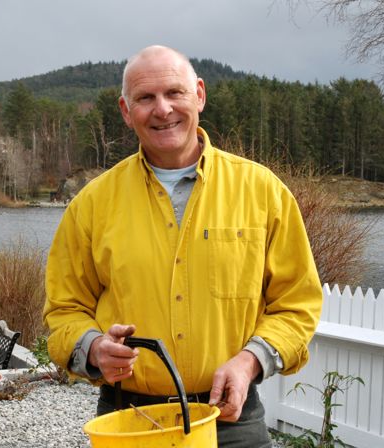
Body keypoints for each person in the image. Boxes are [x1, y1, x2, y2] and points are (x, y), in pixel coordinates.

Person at [43, 45, 322, 447]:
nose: (163, 109)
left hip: (231, 419)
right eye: (145, 98)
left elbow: (297, 304)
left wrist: (249, 362)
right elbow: (64, 308)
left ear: (200, 95)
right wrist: (93, 348)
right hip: (130, 421)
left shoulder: (264, 193)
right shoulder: (91, 205)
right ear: (126, 111)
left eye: (174, 92)